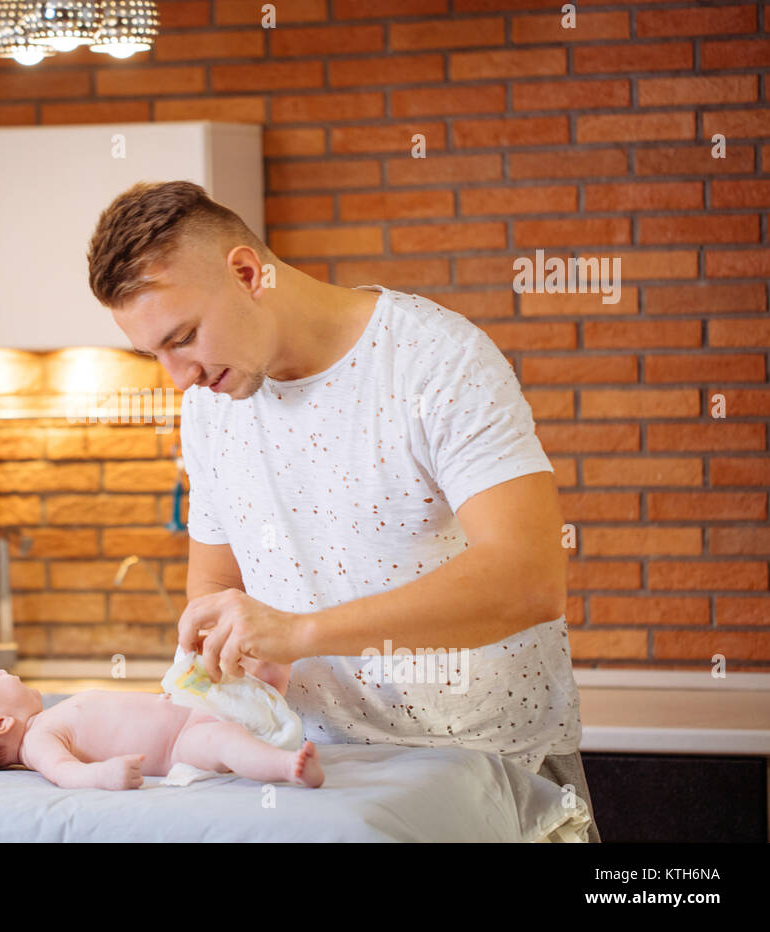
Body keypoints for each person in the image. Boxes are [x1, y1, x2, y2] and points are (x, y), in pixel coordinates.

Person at [86, 179, 601, 842]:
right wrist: (233, 659)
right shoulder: (208, 407)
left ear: (247, 272)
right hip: (323, 787)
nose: (176, 375)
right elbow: (217, 585)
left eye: (182, 337)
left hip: (493, 775)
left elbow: (527, 578)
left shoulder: (436, 362)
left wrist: (300, 634)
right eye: (152, 352)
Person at [0, 669, 324, 788]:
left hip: (186, 709)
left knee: (245, 678)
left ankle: (271, 705)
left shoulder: (46, 719)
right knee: (226, 741)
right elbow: (66, 774)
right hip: (182, 742)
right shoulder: (38, 743)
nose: (2, 671)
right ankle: (288, 766)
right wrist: (104, 775)